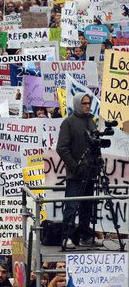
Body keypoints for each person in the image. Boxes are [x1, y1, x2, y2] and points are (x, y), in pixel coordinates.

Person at [56, 92, 101, 249]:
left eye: (89, 103)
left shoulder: (92, 121)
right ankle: (66, 237)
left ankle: (85, 235)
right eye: (84, 104)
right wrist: (74, 166)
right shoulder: (68, 122)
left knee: (87, 206)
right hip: (75, 175)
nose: (87, 106)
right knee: (71, 206)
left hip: (90, 173)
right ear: (77, 104)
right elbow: (61, 148)